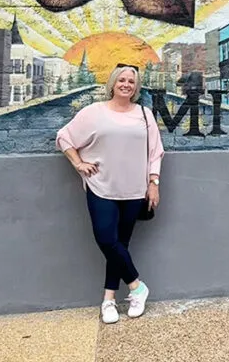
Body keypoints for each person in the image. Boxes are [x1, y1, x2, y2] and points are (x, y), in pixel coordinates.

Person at [56, 64, 164, 324]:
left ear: (136, 87)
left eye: (131, 81)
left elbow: (155, 152)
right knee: (106, 240)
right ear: (113, 83)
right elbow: (64, 138)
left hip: (134, 190)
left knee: (120, 246)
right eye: (122, 80)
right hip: (101, 186)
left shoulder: (145, 115)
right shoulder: (94, 112)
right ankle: (137, 287)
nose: (126, 84)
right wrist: (78, 163)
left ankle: (109, 301)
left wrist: (154, 182)